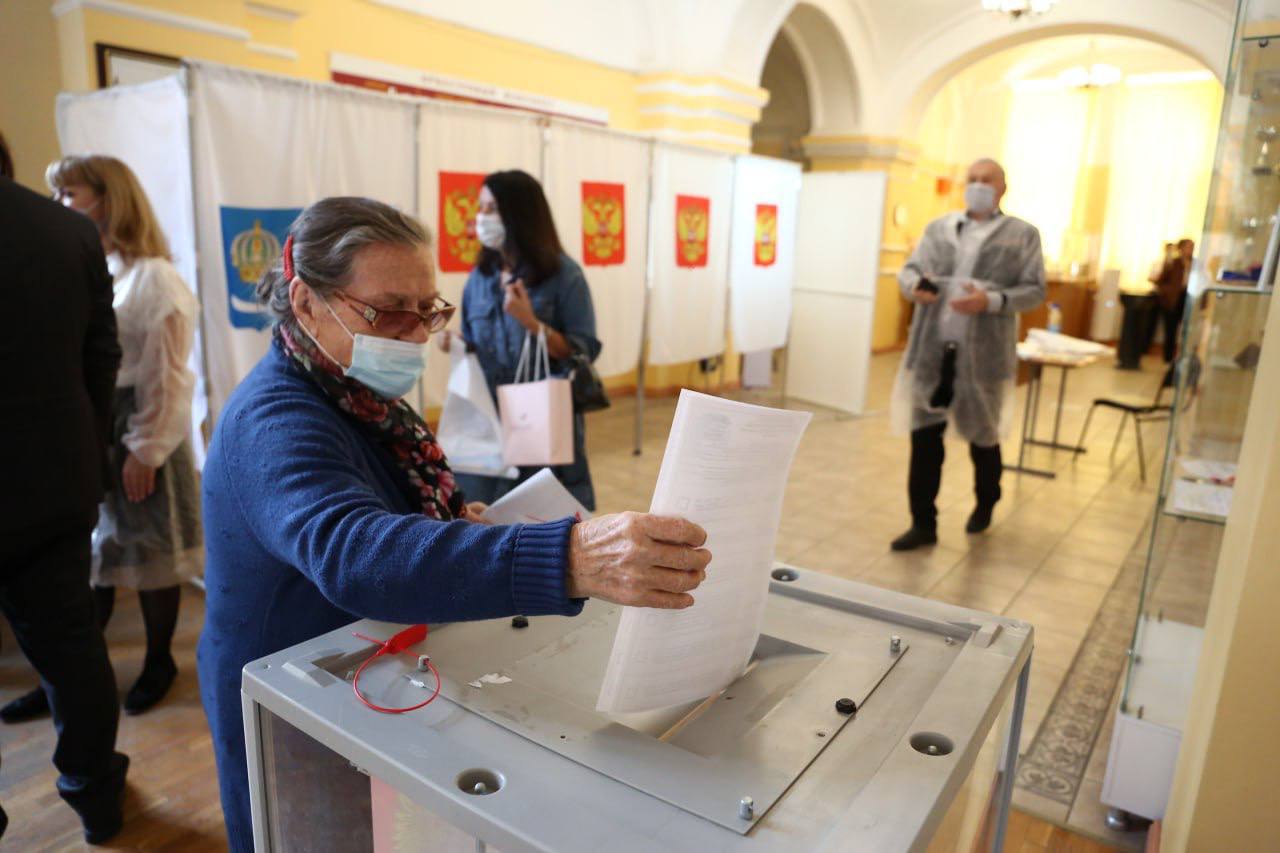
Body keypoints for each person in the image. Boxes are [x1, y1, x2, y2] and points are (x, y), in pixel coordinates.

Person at [199, 196, 710, 851]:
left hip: (355, 669)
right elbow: (353, 552)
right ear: (306, 302)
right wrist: (570, 558)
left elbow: (372, 496)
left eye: (427, 309)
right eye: (389, 311)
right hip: (287, 696)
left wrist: (443, 518)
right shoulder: (274, 419)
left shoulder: (353, 391)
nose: (417, 336)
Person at [10, 156, 202, 720]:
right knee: (98, 554)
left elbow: (168, 376)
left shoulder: (155, 277)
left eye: (69, 193)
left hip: (142, 426)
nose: (58, 205)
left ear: (108, 198)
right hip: (101, 424)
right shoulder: (99, 265)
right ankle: (65, 678)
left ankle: (159, 662)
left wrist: (146, 448)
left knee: (151, 552)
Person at [0, 134, 130, 843]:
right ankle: (95, 793)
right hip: (57, 480)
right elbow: (100, 355)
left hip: (54, 476)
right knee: (73, 646)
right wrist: (86, 444)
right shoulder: (67, 231)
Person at [889, 158, 1046, 551]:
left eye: (986, 179)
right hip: (932, 351)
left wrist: (990, 300)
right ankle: (922, 523)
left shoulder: (1022, 235)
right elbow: (909, 270)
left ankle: (985, 503)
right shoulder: (938, 228)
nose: (977, 185)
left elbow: (1034, 289)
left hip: (984, 357)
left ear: (1003, 187)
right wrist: (915, 287)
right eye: (972, 179)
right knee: (925, 440)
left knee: (984, 437)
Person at [440, 169, 601, 510]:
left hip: (539, 419)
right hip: (488, 423)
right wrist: (457, 343)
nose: (481, 218)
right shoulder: (480, 278)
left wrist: (531, 323)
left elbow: (583, 351)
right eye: (481, 208)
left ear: (519, 215)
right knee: (483, 515)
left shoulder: (564, 276)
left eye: (492, 209)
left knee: (543, 517)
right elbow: (476, 341)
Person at [1151, 238, 1193, 364]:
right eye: (1188, 247)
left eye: (1192, 247)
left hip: (1187, 298)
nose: (1190, 250)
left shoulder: (1195, 264)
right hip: (1172, 299)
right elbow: (1160, 280)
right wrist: (1167, 292)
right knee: (1170, 329)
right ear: (1181, 248)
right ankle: (1168, 358)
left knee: (1186, 329)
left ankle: (1183, 356)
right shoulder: (1173, 263)